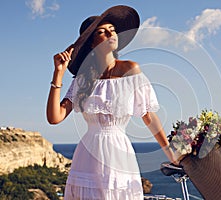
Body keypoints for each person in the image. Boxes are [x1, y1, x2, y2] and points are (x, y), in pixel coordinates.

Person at [46, 5, 177, 200]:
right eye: (102, 32)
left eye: (112, 30)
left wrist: (171, 154)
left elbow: (148, 115)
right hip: (87, 154)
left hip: (119, 151)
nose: (110, 34)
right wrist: (58, 73)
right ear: (91, 43)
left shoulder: (130, 69)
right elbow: (54, 118)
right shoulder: (82, 80)